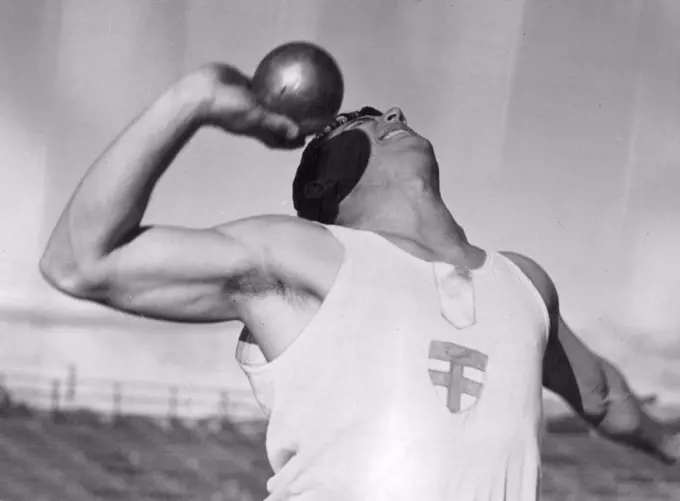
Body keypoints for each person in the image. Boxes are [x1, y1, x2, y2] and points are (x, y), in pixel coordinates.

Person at [40, 62, 679, 500]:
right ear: (330, 178)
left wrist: (668, 446)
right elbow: (79, 261)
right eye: (365, 116)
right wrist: (196, 98)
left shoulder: (524, 283)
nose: (394, 111)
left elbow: (601, 398)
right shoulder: (303, 254)